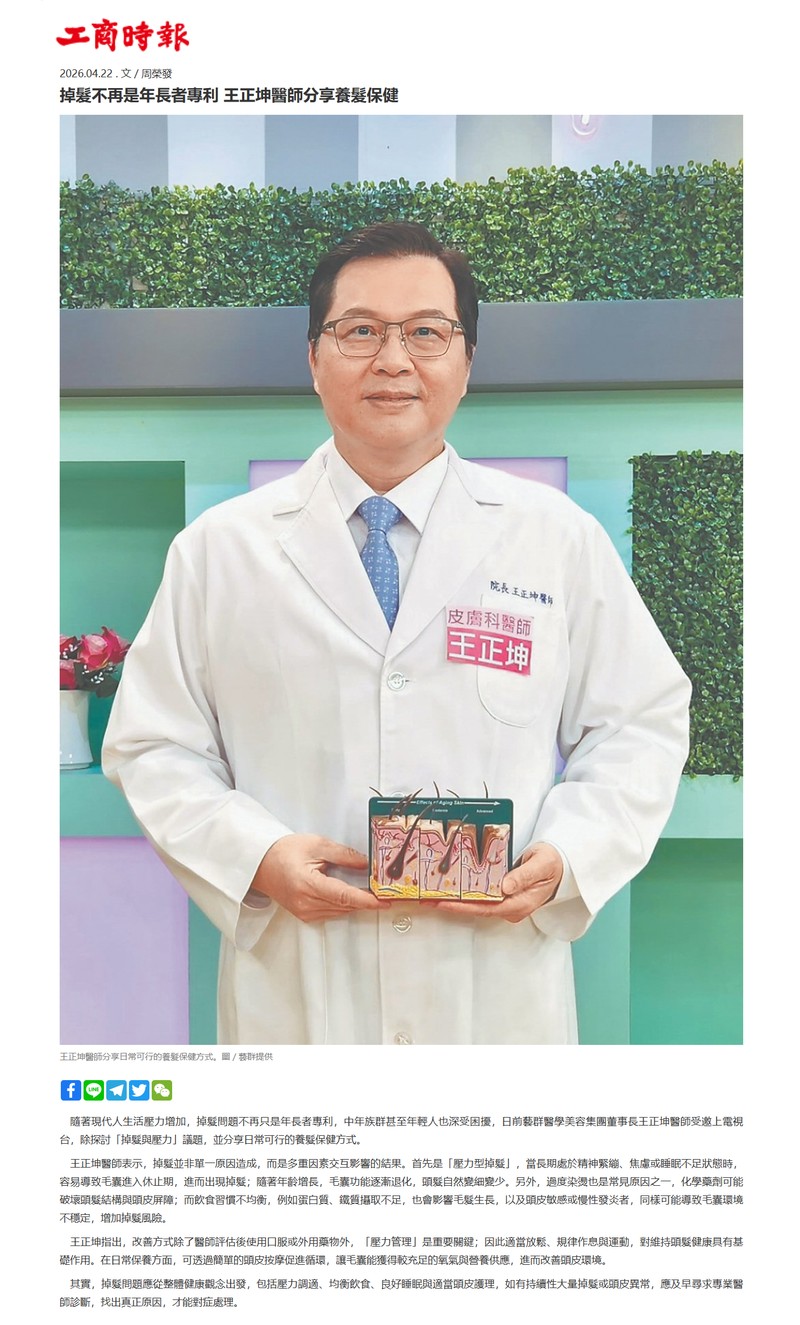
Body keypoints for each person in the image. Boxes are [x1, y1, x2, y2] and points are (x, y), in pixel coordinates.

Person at [102, 221, 691, 1045]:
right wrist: (257, 857)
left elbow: (640, 722)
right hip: (302, 990)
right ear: (314, 358)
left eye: (425, 332)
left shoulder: (553, 538)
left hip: (494, 991)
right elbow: (153, 745)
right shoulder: (220, 550)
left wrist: (571, 854)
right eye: (359, 331)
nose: (392, 359)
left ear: (466, 360)